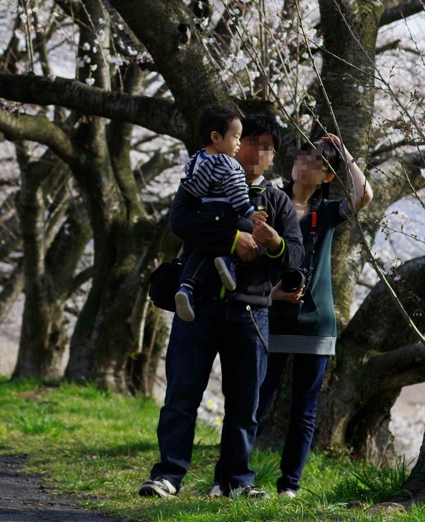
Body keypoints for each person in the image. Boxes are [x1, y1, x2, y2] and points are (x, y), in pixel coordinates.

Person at [139, 114, 304, 499]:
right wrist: (233, 240)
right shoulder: (203, 184)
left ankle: (234, 481)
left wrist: (276, 243)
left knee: (245, 405)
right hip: (197, 306)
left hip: (252, 313)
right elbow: (179, 221)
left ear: (273, 157)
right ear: (234, 141)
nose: (256, 152)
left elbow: (295, 255)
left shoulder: (277, 201)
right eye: (250, 141)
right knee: (182, 395)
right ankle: (168, 475)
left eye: (267, 147)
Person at [256, 133, 373, 498]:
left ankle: (289, 485)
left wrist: (345, 153)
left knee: (304, 410)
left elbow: (364, 195)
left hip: (316, 320)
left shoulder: (325, 212)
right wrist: (270, 293)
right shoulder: (269, 204)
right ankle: (234, 476)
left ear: (325, 177)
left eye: (318, 163)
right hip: (271, 315)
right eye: (303, 157)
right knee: (256, 400)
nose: (306, 163)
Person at [173, 105, 268, 319]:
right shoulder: (228, 164)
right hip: (225, 211)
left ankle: (186, 286)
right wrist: (249, 211)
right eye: (236, 137)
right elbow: (236, 192)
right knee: (256, 236)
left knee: (202, 248)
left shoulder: (197, 159)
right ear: (216, 137)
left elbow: (193, 186)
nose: (239, 143)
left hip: (204, 211)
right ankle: (228, 261)